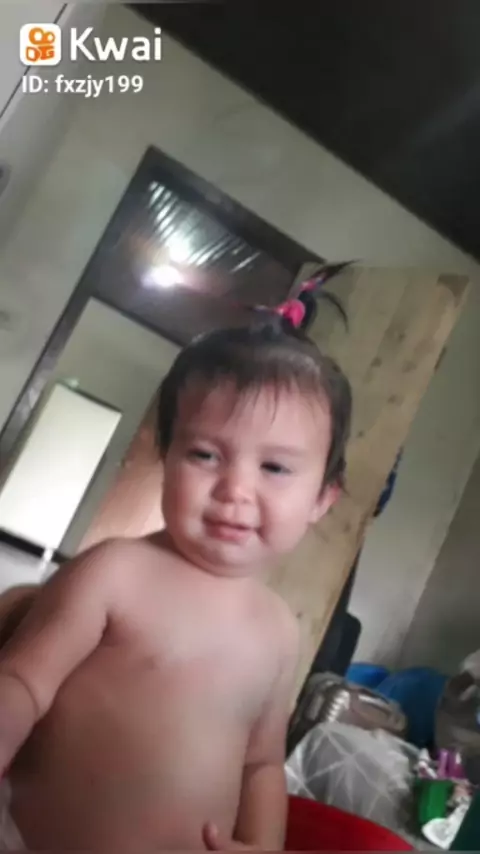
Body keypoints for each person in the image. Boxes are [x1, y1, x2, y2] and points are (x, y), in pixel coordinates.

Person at [0, 317, 351, 851]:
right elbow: (22, 681)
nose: (235, 489)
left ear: (322, 499)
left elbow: (260, 763)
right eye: (205, 455)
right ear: (166, 458)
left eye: (275, 468)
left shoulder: (279, 630)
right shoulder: (115, 571)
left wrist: (263, 846)